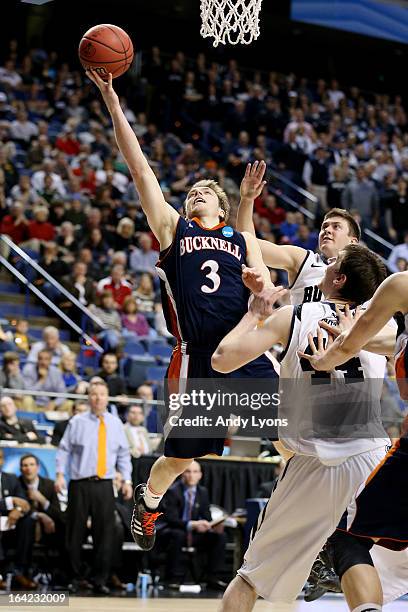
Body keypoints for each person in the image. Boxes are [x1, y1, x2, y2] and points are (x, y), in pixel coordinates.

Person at [87, 69, 276, 552]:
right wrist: (112, 100)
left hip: (248, 346)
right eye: (192, 191)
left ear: (223, 205)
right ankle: (148, 502)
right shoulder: (174, 230)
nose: (195, 194)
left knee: (298, 430)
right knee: (181, 456)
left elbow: (268, 289)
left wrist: (261, 287)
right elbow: (141, 170)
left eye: (205, 192)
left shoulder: (240, 238)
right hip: (201, 357)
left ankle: (313, 520)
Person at [211, 244, 392, 611]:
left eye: (334, 263)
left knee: (251, 576)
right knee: (353, 551)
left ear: (338, 279)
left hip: (317, 460)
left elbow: (222, 361)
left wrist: (253, 314)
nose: (326, 264)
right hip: (372, 455)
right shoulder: (379, 325)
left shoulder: (293, 316)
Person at [298, 271, 408, 612]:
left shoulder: (401, 285)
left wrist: (321, 361)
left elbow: (347, 346)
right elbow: (372, 339)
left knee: (347, 538)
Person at [237, 163, 362, 305]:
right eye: (324, 226)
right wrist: (247, 200)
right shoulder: (304, 259)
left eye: (336, 227)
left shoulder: (363, 277)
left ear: (353, 242)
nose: (327, 230)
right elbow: (248, 244)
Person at [55, 380, 132, 595]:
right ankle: (74, 577)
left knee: (105, 534)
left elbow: (124, 455)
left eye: (101, 394)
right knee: (74, 533)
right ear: (88, 397)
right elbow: (63, 450)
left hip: (105, 485)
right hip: (79, 484)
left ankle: (100, 579)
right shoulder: (77, 422)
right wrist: (60, 474)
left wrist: (126, 480)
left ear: (107, 397)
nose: (97, 398)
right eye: (93, 394)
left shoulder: (116, 424)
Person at [158, 460, 227, 589]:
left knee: (220, 537)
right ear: (182, 474)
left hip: (195, 534)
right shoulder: (173, 491)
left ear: (200, 475)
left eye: (195, 472)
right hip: (175, 530)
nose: (191, 475)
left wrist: (210, 525)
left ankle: (213, 577)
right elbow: (170, 519)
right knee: (178, 535)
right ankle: (174, 578)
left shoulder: (203, 492)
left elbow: (206, 516)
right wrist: (192, 524)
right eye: (188, 472)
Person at [18, 454, 65, 582]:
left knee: (64, 524)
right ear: (21, 469)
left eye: (32, 465)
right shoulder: (17, 483)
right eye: (25, 465)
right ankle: (22, 572)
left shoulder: (50, 485)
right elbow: (17, 510)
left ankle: (62, 573)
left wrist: (42, 500)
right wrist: (40, 515)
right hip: (23, 528)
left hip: (49, 529)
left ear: (38, 467)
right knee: (28, 523)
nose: (28, 468)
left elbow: (58, 514)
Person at [0, 448, 34, 590]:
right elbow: (15, 499)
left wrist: (18, 510)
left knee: (28, 521)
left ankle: (19, 571)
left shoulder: (11, 478)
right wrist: (10, 501)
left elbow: (24, 502)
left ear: (2, 460)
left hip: (10, 521)